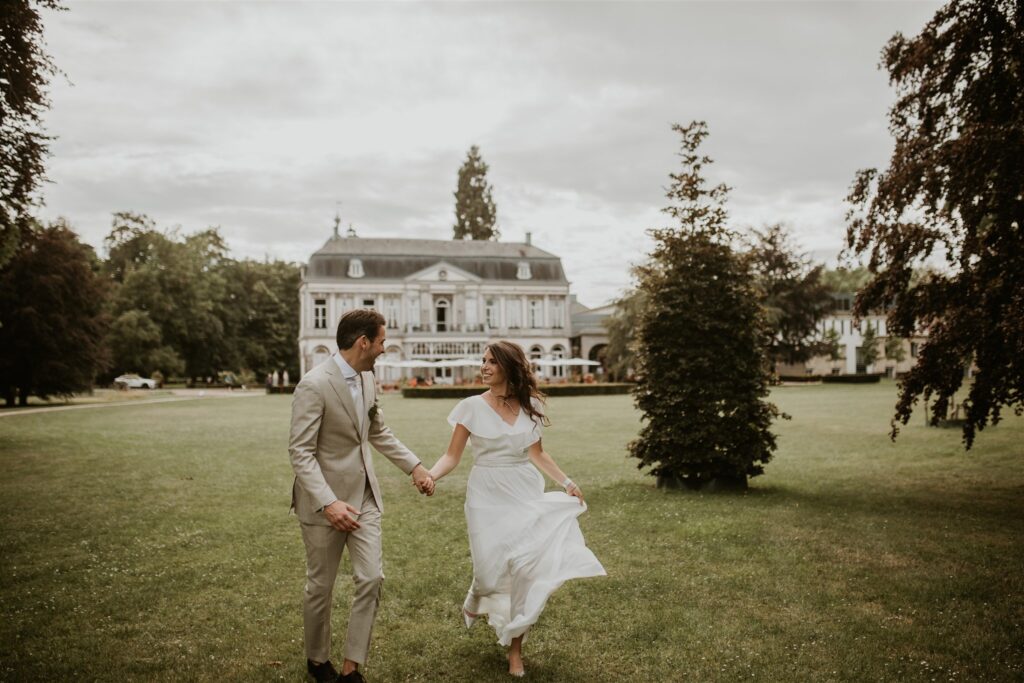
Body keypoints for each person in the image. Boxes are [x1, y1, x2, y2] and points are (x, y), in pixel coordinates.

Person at [427, 341, 606, 677]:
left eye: (491, 362)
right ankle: (477, 595)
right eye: (482, 361)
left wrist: (566, 482)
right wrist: (431, 476)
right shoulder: (469, 407)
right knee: (489, 567)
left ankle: (515, 650)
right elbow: (452, 456)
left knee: (524, 569)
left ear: (509, 367)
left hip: (523, 490)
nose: (484, 367)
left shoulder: (530, 404)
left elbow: (537, 453)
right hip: (485, 494)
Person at [289, 309, 435, 683]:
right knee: (320, 586)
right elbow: (300, 452)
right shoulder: (314, 384)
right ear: (363, 342)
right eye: (382, 341)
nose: (385, 348)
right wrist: (328, 502)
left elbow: (378, 432)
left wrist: (416, 467)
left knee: (371, 577)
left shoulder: (368, 379)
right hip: (324, 503)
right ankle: (318, 661)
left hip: (365, 495)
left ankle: (352, 665)